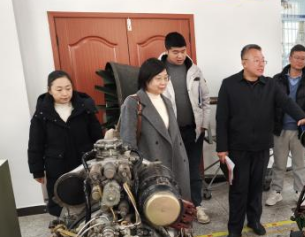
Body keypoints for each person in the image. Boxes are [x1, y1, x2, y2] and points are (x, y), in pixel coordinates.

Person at [216, 45, 305, 237]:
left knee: (256, 187)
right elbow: (221, 118)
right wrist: (222, 148)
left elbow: (287, 103)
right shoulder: (229, 85)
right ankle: (234, 229)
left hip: (261, 146)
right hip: (237, 148)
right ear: (244, 62)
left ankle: (254, 221)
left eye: (263, 60)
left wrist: (302, 117)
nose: (261, 64)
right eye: (256, 60)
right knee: (238, 189)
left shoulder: (270, 84)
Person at [28, 70, 103, 216]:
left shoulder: (85, 107)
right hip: (57, 166)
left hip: (84, 162)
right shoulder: (42, 113)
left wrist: (101, 159)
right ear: (49, 90)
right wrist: (37, 170)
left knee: (89, 199)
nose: (65, 93)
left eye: (68, 88)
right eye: (59, 89)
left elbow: (97, 136)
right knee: (61, 202)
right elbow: (35, 143)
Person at [119, 58, 191, 201]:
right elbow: (128, 144)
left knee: (178, 206)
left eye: (166, 78)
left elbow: (174, 136)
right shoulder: (133, 102)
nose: (163, 82)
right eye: (158, 78)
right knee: (157, 208)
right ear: (146, 79)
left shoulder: (167, 101)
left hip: (176, 163)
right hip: (151, 168)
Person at [161, 32, 211, 224]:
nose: (180, 55)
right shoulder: (158, 70)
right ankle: (176, 208)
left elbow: (205, 99)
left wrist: (204, 125)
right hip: (170, 132)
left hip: (193, 130)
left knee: (193, 170)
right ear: (167, 50)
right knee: (172, 170)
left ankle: (197, 206)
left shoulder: (195, 70)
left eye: (183, 51)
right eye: (175, 52)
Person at [266, 44, 305, 207]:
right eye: (297, 58)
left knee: (300, 164)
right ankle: (276, 192)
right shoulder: (277, 79)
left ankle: (300, 193)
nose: (300, 61)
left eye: (303, 58)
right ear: (289, 58)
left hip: (300, 131)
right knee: (279, 164)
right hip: (280, 129)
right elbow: (270, 103)